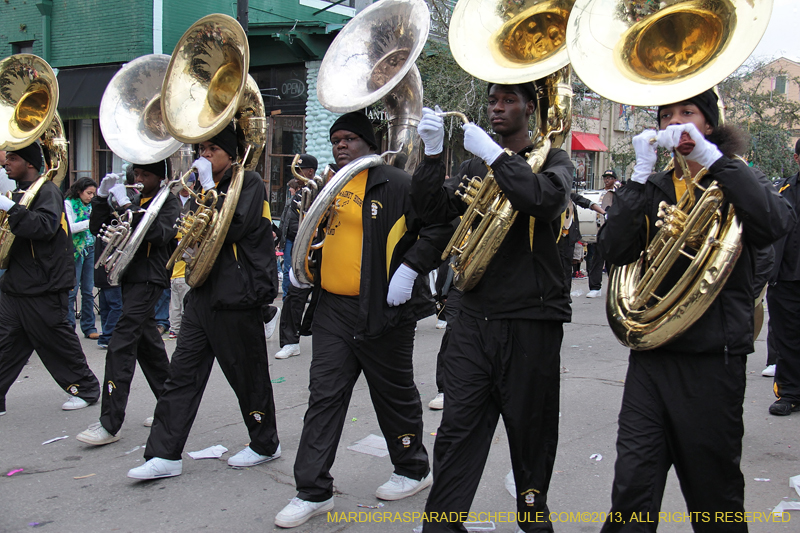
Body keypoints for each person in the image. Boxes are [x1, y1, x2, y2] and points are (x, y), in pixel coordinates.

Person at [597, 89, 793, 531]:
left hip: (712, 362)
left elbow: (777, 222)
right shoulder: (657, 184)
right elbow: (615, 248)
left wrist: (717, 161)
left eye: (689, 113)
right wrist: (640, 176)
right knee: (631, 489)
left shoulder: (737, 176)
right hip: (651, 359)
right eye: (667, 116)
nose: (677, 123)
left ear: (710, 123)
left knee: (714, 496)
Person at [274, 112, 449, 528]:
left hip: (384, 308)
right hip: (333, 307)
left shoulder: (398, 182)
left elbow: (441, 226)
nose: (341, 145)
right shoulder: (331, 186)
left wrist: (410, 270)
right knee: (324, 395)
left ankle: (412, 468)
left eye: (350, 138)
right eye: (336, 139)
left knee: (394, 394)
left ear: (369, 143)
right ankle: (312, 490)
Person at [412, 82, 574, 532]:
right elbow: (431, 213)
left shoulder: (555, 160)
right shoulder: (472, 163)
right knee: (457, 432)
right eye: (492, 101)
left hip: (531, 321)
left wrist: (498, 157)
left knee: (532, 435)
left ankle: (534, 519)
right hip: (471, 317)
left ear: (530, 107)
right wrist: (429, 155)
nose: (497, 108)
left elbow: (543, 200)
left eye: (508, 101)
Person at [127, 122, 281, 479]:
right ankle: (164, 454)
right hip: (202, 290)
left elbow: (236, 227)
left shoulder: (249, 182)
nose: (204, 156)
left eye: (212, 149)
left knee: (248, 376)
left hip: (237, 294)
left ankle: (264, 443)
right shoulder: (200, 187)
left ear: (230, 153)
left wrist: (212, 192)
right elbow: (190, 231)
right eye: (202, 150)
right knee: (181, 374)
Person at [76, 160, 180, 445]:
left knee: (121, 344)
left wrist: (126, 209)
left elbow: (159, 234)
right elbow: (100, 228)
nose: (138, 178)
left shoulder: (168, 202)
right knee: (149, 348)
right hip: (128, 276)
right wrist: (100, 200)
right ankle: (173, 405)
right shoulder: (134, 198)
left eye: (145, 174)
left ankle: (110, 423)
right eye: (137, 173)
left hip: (150, 277)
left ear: (159, 177)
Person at [0, 142, 100, 415]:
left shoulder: (47, 191)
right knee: (6, 343)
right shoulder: (19, 192)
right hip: (16, 284)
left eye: (13, 158)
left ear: (30, 163)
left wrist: (10, 208)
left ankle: (86, 388)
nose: (6, 162)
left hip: (43, 285)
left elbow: (43, 227)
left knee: (56, 341)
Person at [765, 139, 800, 415]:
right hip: (786, 279)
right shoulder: (781, 189)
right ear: (797, 159)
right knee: (786, 340)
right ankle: (788, 394)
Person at [275, 157, 315, 359]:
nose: (296, 174)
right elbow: (290, 220)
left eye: (300, 170)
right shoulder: (300, 194)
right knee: (293, 296)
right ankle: (291, 342)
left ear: (309, 171)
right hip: (300, 248)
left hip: (320, 251)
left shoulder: (318, 190)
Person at [65, 177, 100, 339]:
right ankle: (69, 326)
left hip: (90, 249)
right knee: (72, 291)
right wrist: (90, 222)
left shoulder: (94, 206)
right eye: (88, 193)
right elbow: (70, 227)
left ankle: (89, 326)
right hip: (74, 250)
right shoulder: (69, 204)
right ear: (79, 191)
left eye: (93, 193)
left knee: (88, 290)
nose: (91, 196)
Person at [560, 193, 604, 300]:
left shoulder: (571, 196)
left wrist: (604, 213)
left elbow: (588, 203)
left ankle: (565, 296)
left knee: (566, 267)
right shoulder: (553, 194)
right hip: (555, 236)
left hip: (568, 237)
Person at [168, 177, 194, 340]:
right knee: (177, 304)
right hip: (177, 273)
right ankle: (176, 328)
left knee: (179, 304)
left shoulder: (197, 199)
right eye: (183, 186)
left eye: (188, 185)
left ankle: (178, 328)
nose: (185, 188)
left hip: (182, 273)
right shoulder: (172, 200)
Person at [585, 170, 617, 298]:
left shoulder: (618, 193)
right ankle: (595, 287)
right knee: (596, 259)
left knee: (612, 261)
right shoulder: (600, 194)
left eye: (610, 178)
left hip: (613, 231)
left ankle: (614, 286)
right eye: (605, 178)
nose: (607, 180)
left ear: (614, 179)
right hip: (600, 230)